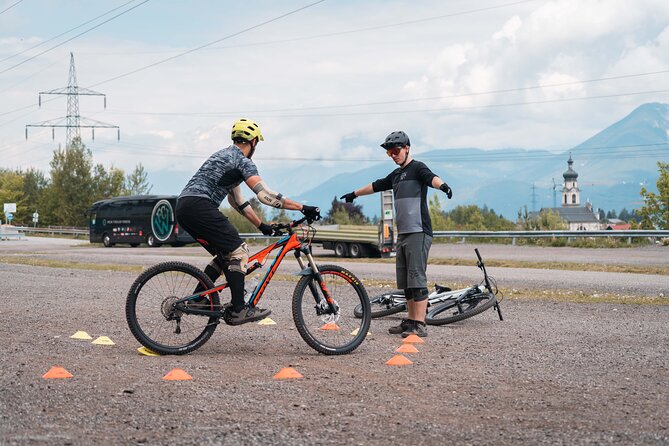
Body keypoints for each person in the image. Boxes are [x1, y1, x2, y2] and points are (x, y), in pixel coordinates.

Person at [176, 118, 321, 325]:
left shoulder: (223, 156)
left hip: (184, 207)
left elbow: (237, 201)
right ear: (253, 141)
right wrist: (302, 207)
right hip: (200, 206)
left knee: (225, 256)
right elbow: (265, 195)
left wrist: (261, 225)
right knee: (239, 252)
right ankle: (239, 309)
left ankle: (199, 298)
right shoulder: (243, 162)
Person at [340, 130, 452, 337]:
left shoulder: (418, 168)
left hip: (419, 231)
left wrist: (443, 186)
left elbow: (431, 178)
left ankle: (420, 324)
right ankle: (410, 321)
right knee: (407, 282)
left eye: (396, 150)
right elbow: (376, 185)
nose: (393, 154)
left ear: (407, 148)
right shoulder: (396, 175)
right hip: (403, 234)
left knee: (417, 278)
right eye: (389, 152)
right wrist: (354, 194)